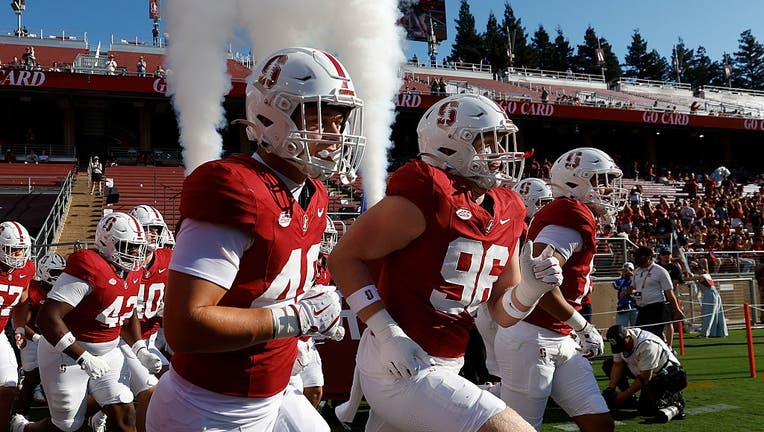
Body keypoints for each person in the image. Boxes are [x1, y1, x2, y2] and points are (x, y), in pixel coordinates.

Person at [144, 47, 363, 432]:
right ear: (270, 117)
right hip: (211, 407)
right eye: (319, 118)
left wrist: (309, 309)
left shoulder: (314, 194)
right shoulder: (233, 187)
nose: (335, 134)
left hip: (276, 390)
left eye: (339, 119)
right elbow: (185, 325)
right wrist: (297, 317)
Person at [330, 93, 544, 432]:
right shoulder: (430, 193)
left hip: (449, 362)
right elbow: (344, 257)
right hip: (398, 363)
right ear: (450, 145)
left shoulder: (510, 208)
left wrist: (530, 291)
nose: (501, 153)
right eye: (487, 142)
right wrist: (388, 333)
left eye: (501, 141)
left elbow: (502, 313)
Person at [494, 147, 625, 432]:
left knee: (600, 424)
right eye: (602, 181)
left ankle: (484, 396)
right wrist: (582, 325)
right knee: (522, 429)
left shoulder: (575, 214)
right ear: (577, 181)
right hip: (532, 336)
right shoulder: (571, 214)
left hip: (559, 335)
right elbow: (537, 282)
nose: (609, 189)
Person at [11, 212, 155, 432]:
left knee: (125, 413)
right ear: (107, 242)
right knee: (67, 426)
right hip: (66, 352)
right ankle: (24, 428)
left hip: (108, 351)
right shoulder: (89, 266)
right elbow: (48, 318)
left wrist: (140, 349)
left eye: (138, 247)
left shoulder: (132, 272)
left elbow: (126, 313)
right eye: (129, 247)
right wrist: (83, 357)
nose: (136, 254)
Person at [116, 205, 173, 432]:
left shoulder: (168, 258)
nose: (152, 235)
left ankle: (101, 410)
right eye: (147, 229)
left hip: (150, 338)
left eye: (156, 230)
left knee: (173, 384)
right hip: (123, 339)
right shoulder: (122, 262)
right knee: (149, 391)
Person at [13, 253, 66, 418]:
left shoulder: (64, 289)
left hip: (54, 338)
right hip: (33, 339)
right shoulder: (33, 289)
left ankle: (59, 414)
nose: (60, 276)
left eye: (62, 272)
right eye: (56, 272)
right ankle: (20, 415)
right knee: (32, 377)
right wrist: (37, 338)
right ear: (44, 271)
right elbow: (22, 321)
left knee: (60, 376)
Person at [602, 325, 687, 423]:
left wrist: (623, 396)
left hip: (669, 376)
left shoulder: (647, 345)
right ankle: (630, 400)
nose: (621, 349)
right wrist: (611, 389)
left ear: (628, 337)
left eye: (622, 345)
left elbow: (645, 377)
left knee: (646, 410)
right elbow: (617, 365)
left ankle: (675, 401)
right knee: (608, 365)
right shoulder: (620, 341)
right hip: (645, 372)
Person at [0, 221, 36, 432]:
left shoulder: (27, 269)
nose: (18, 254)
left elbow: (22, 301)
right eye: (12, 249)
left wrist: (20, 328)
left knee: (8, 385)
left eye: (21, 249)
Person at [631, 246, 685, 341]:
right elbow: (633, 287)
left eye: (640, 257)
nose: (638, 260)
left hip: (656, 307)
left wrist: (677, 310)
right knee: (639, 334)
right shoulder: (637, 271)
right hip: (642, 308)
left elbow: (669, 292)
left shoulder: (660, 271)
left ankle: (666, 347)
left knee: (653, 335)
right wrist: (627, 292)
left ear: (649, 257)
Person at [656, 248, 685, 346]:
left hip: (670, 297)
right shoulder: (656, 267)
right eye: (664, 254)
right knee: (657, 323)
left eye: (668, 254)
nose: (666, 257)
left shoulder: (675, 267)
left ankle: (669, 346)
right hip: (657, 297)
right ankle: (662, 341)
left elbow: (675, 283)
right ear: (660, 256)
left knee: (669, 322)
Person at [691, 263, 728, 338]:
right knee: (717, 314)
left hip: (709, 295)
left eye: (698, 269)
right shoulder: (707, 275)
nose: (697, 271)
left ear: (702, 269)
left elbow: (690, 279)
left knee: (707, 314)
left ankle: (704, 334)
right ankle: (718, 332)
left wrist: (682, 277)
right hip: (714, 294)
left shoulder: (702, 276)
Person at [612, 262, 637, 328]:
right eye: (625, 270)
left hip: (635, 306)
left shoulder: (636, 279)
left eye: (630, 270)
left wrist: (632, 275)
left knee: (637, 328)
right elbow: (616, 285)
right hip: (623, 307)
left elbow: (640, 290)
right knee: (621, 328)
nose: (627, 272)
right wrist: (623, 276)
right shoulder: (620, 280)